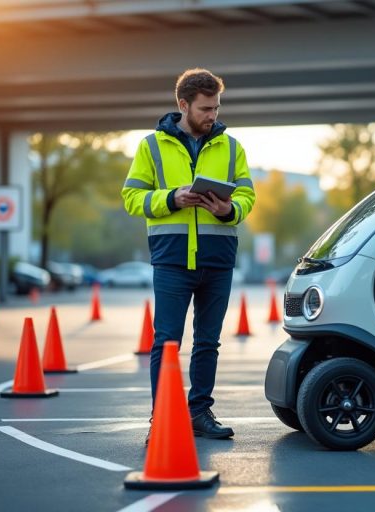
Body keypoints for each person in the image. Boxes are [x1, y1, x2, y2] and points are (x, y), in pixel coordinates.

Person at [121, 68, 256, 443]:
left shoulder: (232, 147)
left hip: (218, 259)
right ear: (184, 105)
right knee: (166, 342)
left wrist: (228, 211)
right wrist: (171, 198)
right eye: (205, 108)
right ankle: (162, 418)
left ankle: (199, 412)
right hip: (172, 260)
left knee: (208, 342)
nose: (213, 114)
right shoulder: (151, 147)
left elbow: (247, 196)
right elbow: (131, 198)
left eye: (216, 106)